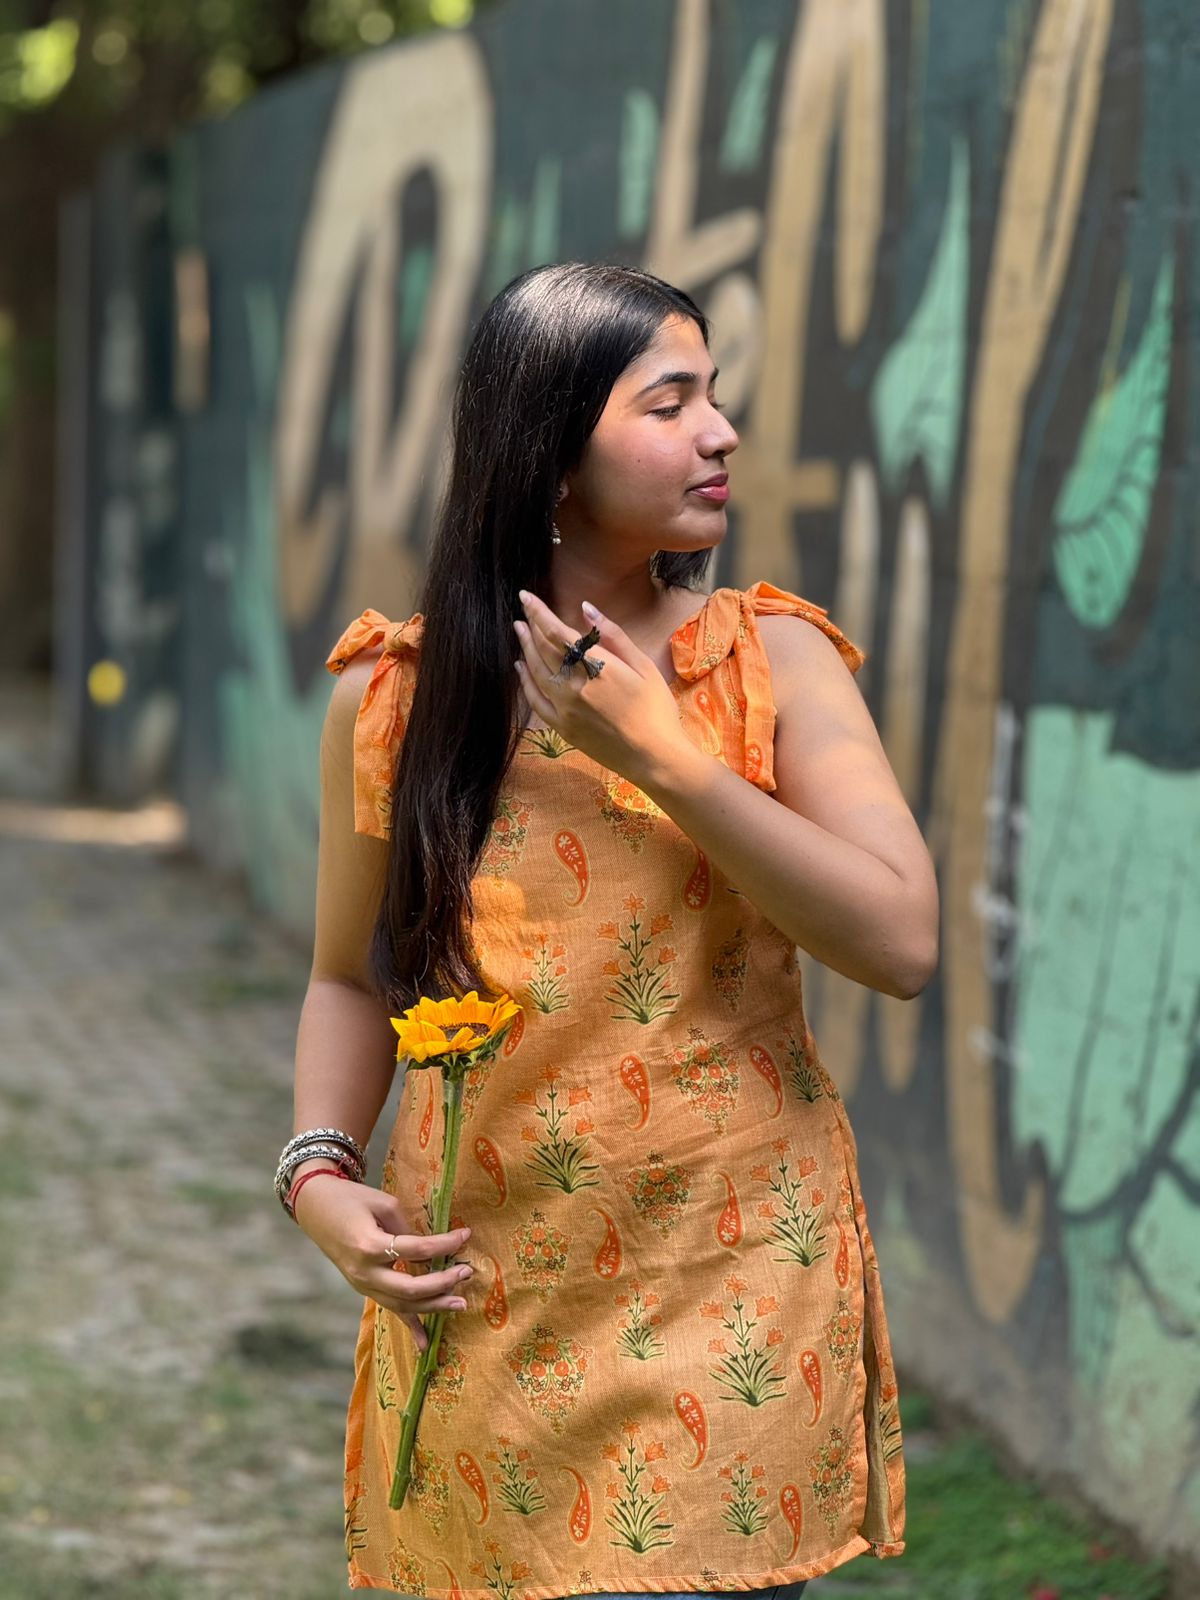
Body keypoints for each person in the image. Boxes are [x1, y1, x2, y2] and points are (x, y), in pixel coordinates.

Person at [279, 261, 938, 1598]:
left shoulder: (769, 663)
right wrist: (319, 1177)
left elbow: (902, 942)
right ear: (552, 458)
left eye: (717, 395)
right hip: (486, 1306)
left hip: (731, 1291)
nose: (722, 431)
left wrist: (673, 763)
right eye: (671, 401)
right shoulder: (399, 702)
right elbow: (352, 978)